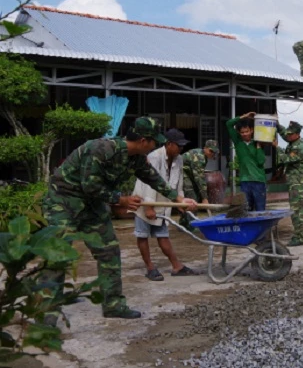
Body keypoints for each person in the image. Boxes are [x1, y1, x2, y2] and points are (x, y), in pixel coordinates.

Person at [41, 117, 197, 322]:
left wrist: (178, 199)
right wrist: (121, 200)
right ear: (143, 141)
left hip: (92, 205)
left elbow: (153, 178)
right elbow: (90, 186)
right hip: (63, 200)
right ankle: (47, 315)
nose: (156, 145)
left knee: (109, 251)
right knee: (57, 255)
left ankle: (113, 304)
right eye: (154, 141)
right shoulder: (100, 149)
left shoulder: (136, 158)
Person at [133, 128, 197, 281]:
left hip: (163, 201)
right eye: (178, 145)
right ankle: (150, 267)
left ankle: (177, 266)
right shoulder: (154, 157)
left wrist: (180, 201)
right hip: (144, 199)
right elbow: (148, 182)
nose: (181, 149)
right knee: (143, 235)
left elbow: (178, 182)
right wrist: (148, 206)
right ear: (169, 144)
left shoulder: (178, 159)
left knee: (163, 234)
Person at [275, 121, 303, 246]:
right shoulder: (293, 140)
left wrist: (277, 147)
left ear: (297, 134)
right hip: (296, 182)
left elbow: (286, 159)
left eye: (290, 134)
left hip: (297, 183)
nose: (287, 136)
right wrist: (277, 124)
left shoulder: (298, 147)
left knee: (296, 210)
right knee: (300, 209)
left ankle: (299, 237)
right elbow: (284, 133)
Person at [226, 112, 267, 211]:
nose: (244, 134)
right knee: (246, 209)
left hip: (259, 180)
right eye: (242, 132)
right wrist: (243, 116)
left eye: (247, 131)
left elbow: (261, 161)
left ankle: (260, 227)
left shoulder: (257, 143)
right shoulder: (238, 142)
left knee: (260, 209)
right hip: (245, 181)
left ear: (252, 130)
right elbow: (228, 124)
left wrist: (258, 147)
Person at [180, 139, 218, 230]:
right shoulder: (199, 157)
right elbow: (200, 179)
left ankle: (183, 223)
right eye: (210, 151)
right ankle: (191, 224)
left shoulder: (203, 156)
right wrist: (205, 198)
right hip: (180, 173)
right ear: (205, 148)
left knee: (195, 194)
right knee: (192, 197)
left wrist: (202, 196)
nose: (212, 153)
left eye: (214, 152)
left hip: (188, 174)